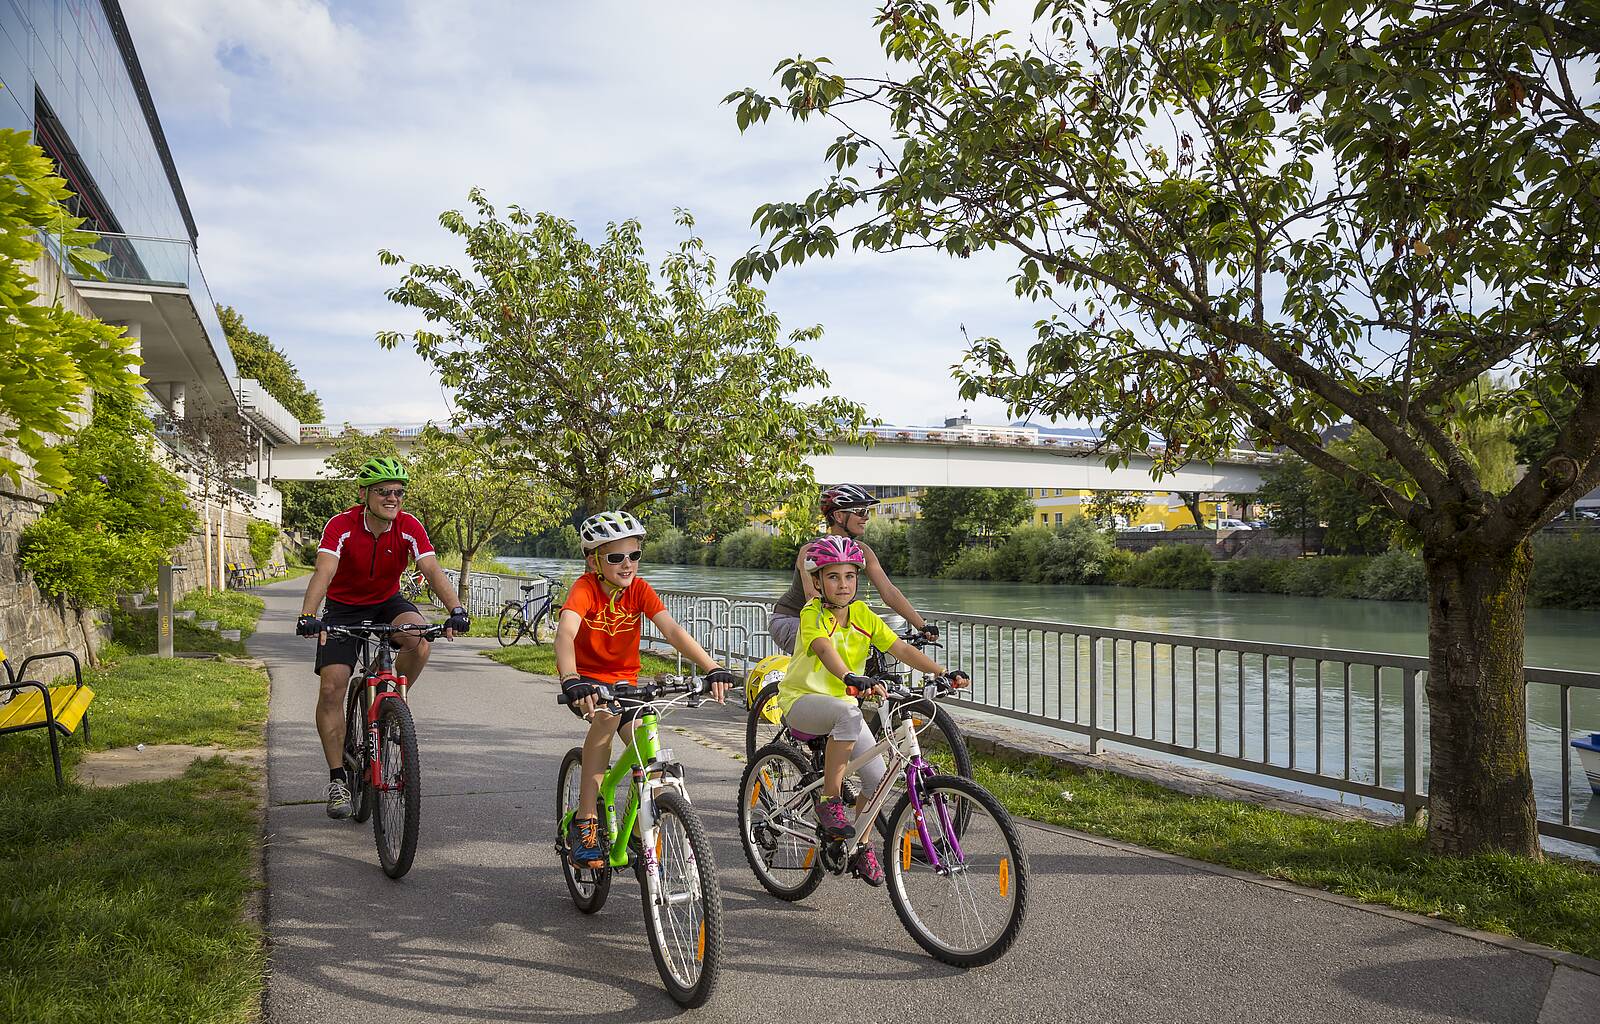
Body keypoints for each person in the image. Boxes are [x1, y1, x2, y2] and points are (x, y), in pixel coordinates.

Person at [776, 536, 966, 886]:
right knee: (848, 715)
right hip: (802, 701)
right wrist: (850, 676)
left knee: (879, 781)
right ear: (817, 582)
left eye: (850, 576)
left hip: (843, 705)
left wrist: (941, 672)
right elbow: (823, 650)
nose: (843, 584)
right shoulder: (811, 613)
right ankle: (829, 801)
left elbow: (900, 649)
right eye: (833, 577)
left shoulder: (863, 614)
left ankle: (858, 844)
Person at [556, 510, 738, 869]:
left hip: (626, 684)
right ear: (594, 560)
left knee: (647, 744)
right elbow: (565, 633)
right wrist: (570, 679)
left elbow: (672, 631)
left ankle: (641, 831)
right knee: (606, 721)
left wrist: (712, 667)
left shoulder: (639, 590)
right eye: (616, 557)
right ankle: (586, 821)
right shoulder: (585, 589)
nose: (627, 564)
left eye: (634, 555)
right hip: (588, 684)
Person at [295, 457, 470, 820]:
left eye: (398, 492)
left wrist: (456, 609)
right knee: (332, 686)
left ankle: (390, 704)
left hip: (387, 602)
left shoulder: (408, 526)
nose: (393, 498)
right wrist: (309, 615)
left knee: (419, 639)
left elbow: (431, 569)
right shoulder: (341, 525)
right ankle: (338, 779)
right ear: (364, 495)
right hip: (343, 608)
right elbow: (324, 571)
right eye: (383, 491)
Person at [769, 484, 936, 655]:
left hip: (833, 621)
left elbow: (889, 592)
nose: (866, 518)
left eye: (867, 512)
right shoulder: (812, 551)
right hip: (791, 619)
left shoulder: (862, 551)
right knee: (833, 652)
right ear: (839, 516)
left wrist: (922, 626)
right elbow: (814, 599)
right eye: (861, 512)